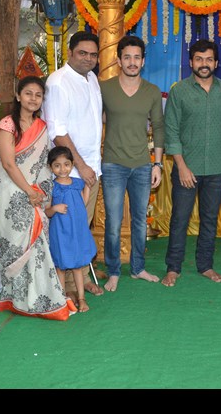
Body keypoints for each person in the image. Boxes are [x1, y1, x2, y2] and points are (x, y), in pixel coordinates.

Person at [0, 75, 76, 320]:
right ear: (18, 96)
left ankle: (41, 297)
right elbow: (8, 164)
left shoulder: (42, 128)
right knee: (16, 244)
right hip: (11, 193)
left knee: (38, 244)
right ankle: (16, 298)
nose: (33, 98)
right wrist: (28, 191)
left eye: (38, 95)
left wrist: (40, 193)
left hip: (36, 195)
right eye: (28, 93)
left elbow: (43, 165)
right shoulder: (7, 124)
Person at [162, 39, 221, 287]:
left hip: (217, 167)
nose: (204, 64)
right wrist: (181, 166)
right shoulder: (179, 91)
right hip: (187, 168)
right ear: (191, 62)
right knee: (180, 219)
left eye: (208, 59)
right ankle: (173, 268)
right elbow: (171, 130)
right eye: (199, 59)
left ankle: (205, 265)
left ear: (216, 63)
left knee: (210, 219)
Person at [42, 30, 104, 300]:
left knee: (81, 226)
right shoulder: (58, 82)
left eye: (93, 54)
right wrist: (82, 166)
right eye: (82, 53)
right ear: (69, 52)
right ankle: (67, 285)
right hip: (71, 174)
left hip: (91, 168)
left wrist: (92, 166)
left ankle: (81, 273)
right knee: (67, 229)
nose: (88, 58)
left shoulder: (92, 78)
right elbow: (57, 131)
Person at [99, 35, 164, 292]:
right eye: (127, 57)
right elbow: (94, 119)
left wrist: (157, 164)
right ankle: (114, 271)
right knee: (114, 223)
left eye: (137, 57)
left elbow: (159, 127)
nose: (132, 62)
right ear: (119, 60)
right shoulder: (104, 88)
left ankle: (138, 268)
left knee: (139, 221)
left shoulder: (152, 91)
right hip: (112, 164)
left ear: (143, 61)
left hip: (142, 165)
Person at [45, 146, 97, 313]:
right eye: (57, 165)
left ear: (72, 165)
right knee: (60, 266)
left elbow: (83, 203)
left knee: (77, 266)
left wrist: (87, 187)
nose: (62, 169)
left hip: (76, 230)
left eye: (66, 164)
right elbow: (47, 211)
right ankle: (62, 301)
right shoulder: (52, 187)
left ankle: (81, 299)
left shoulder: (77, 184)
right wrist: (55, 208)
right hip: (60, 232)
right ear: (50, 167)